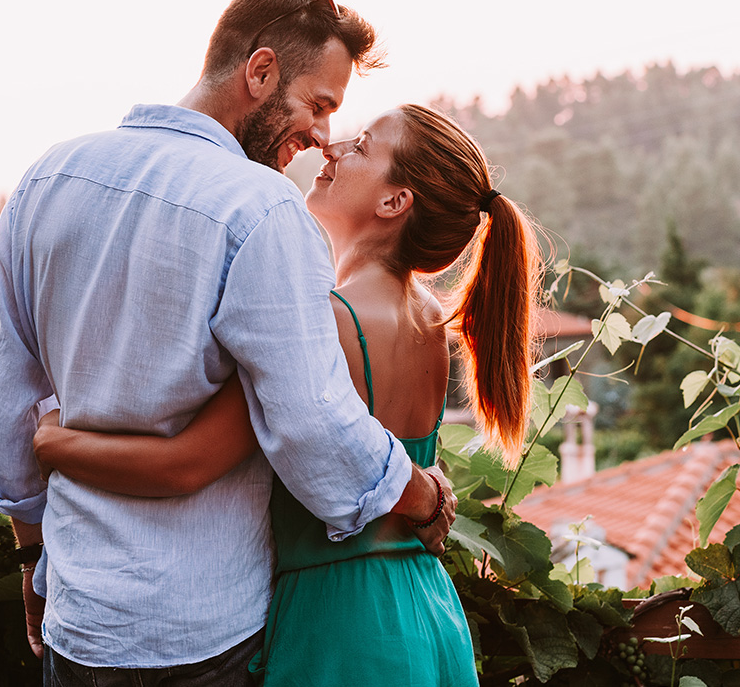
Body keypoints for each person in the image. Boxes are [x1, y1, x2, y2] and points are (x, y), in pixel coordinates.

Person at [0, 0, 455, 684]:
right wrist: (420, 494)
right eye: (318, 105)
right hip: (205, 636)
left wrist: (30, 558)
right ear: (260, 72)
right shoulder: (261, 209)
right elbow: (309, 421)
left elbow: (7, 412)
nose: (322, 137)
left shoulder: (46, 179)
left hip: (78, 622)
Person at [33, 104, 543, 685]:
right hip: (427, 610)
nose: (332, 149)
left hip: (342, 624)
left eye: (362, 147)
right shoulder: (426, 320)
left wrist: (53, 443)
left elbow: (185, 462)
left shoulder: (324, 322)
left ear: (394, 202)